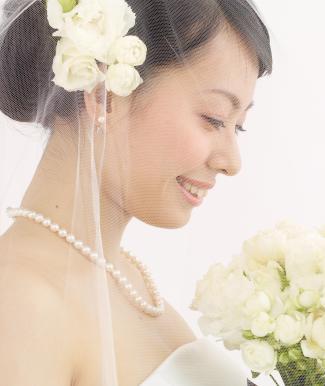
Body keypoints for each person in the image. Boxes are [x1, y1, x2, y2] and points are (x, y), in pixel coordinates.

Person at [0, 0, 271, 385]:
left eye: (238, 127)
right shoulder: (23, 302)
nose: (231, 161)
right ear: (103, 96)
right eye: (214, 119)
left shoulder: (131, 282)